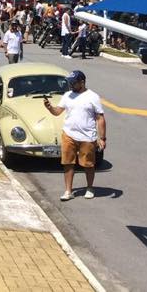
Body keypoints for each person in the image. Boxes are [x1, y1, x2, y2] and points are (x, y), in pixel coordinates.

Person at [43, 70, 106, 200]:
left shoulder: (93, 96)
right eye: (70, 83)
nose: (71, 85)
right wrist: (50, 107)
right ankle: (68, 191)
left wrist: (102, 138)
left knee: (88, 164)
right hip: (69, 134)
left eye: (73, 83)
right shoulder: (67, 95)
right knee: (67, 163)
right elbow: (57, 112)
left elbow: (100, 118)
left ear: (82, 82)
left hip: (87, 136)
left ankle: (89, 188)